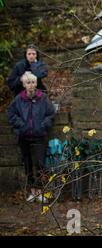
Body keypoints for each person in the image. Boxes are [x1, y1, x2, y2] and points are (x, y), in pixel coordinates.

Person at [7, 72, 55, 202]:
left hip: (39, 136)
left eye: (33, 82)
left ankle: (40, 191)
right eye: (28, 82)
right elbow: (11, 114)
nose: (31, 85)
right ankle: (32, 192)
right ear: (23, 84)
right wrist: (21, 126)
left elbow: (51, 114)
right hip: (24, 136)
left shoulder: (43, 98)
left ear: (36, 83)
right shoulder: (18, 99)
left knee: (40, 163)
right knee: (27, 164)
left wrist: (43, 126)